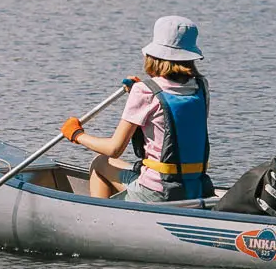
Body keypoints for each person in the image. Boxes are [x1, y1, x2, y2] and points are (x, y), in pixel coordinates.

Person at [63, 16, 213, 202]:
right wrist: (142, 88)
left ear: (154, 55)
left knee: (101, 162)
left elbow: (114, 149)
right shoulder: (201, 87)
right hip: (196, 188)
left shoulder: (145, 92)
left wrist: (77, 135)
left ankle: (100, 219)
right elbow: (176, 110)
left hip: (156, 192)